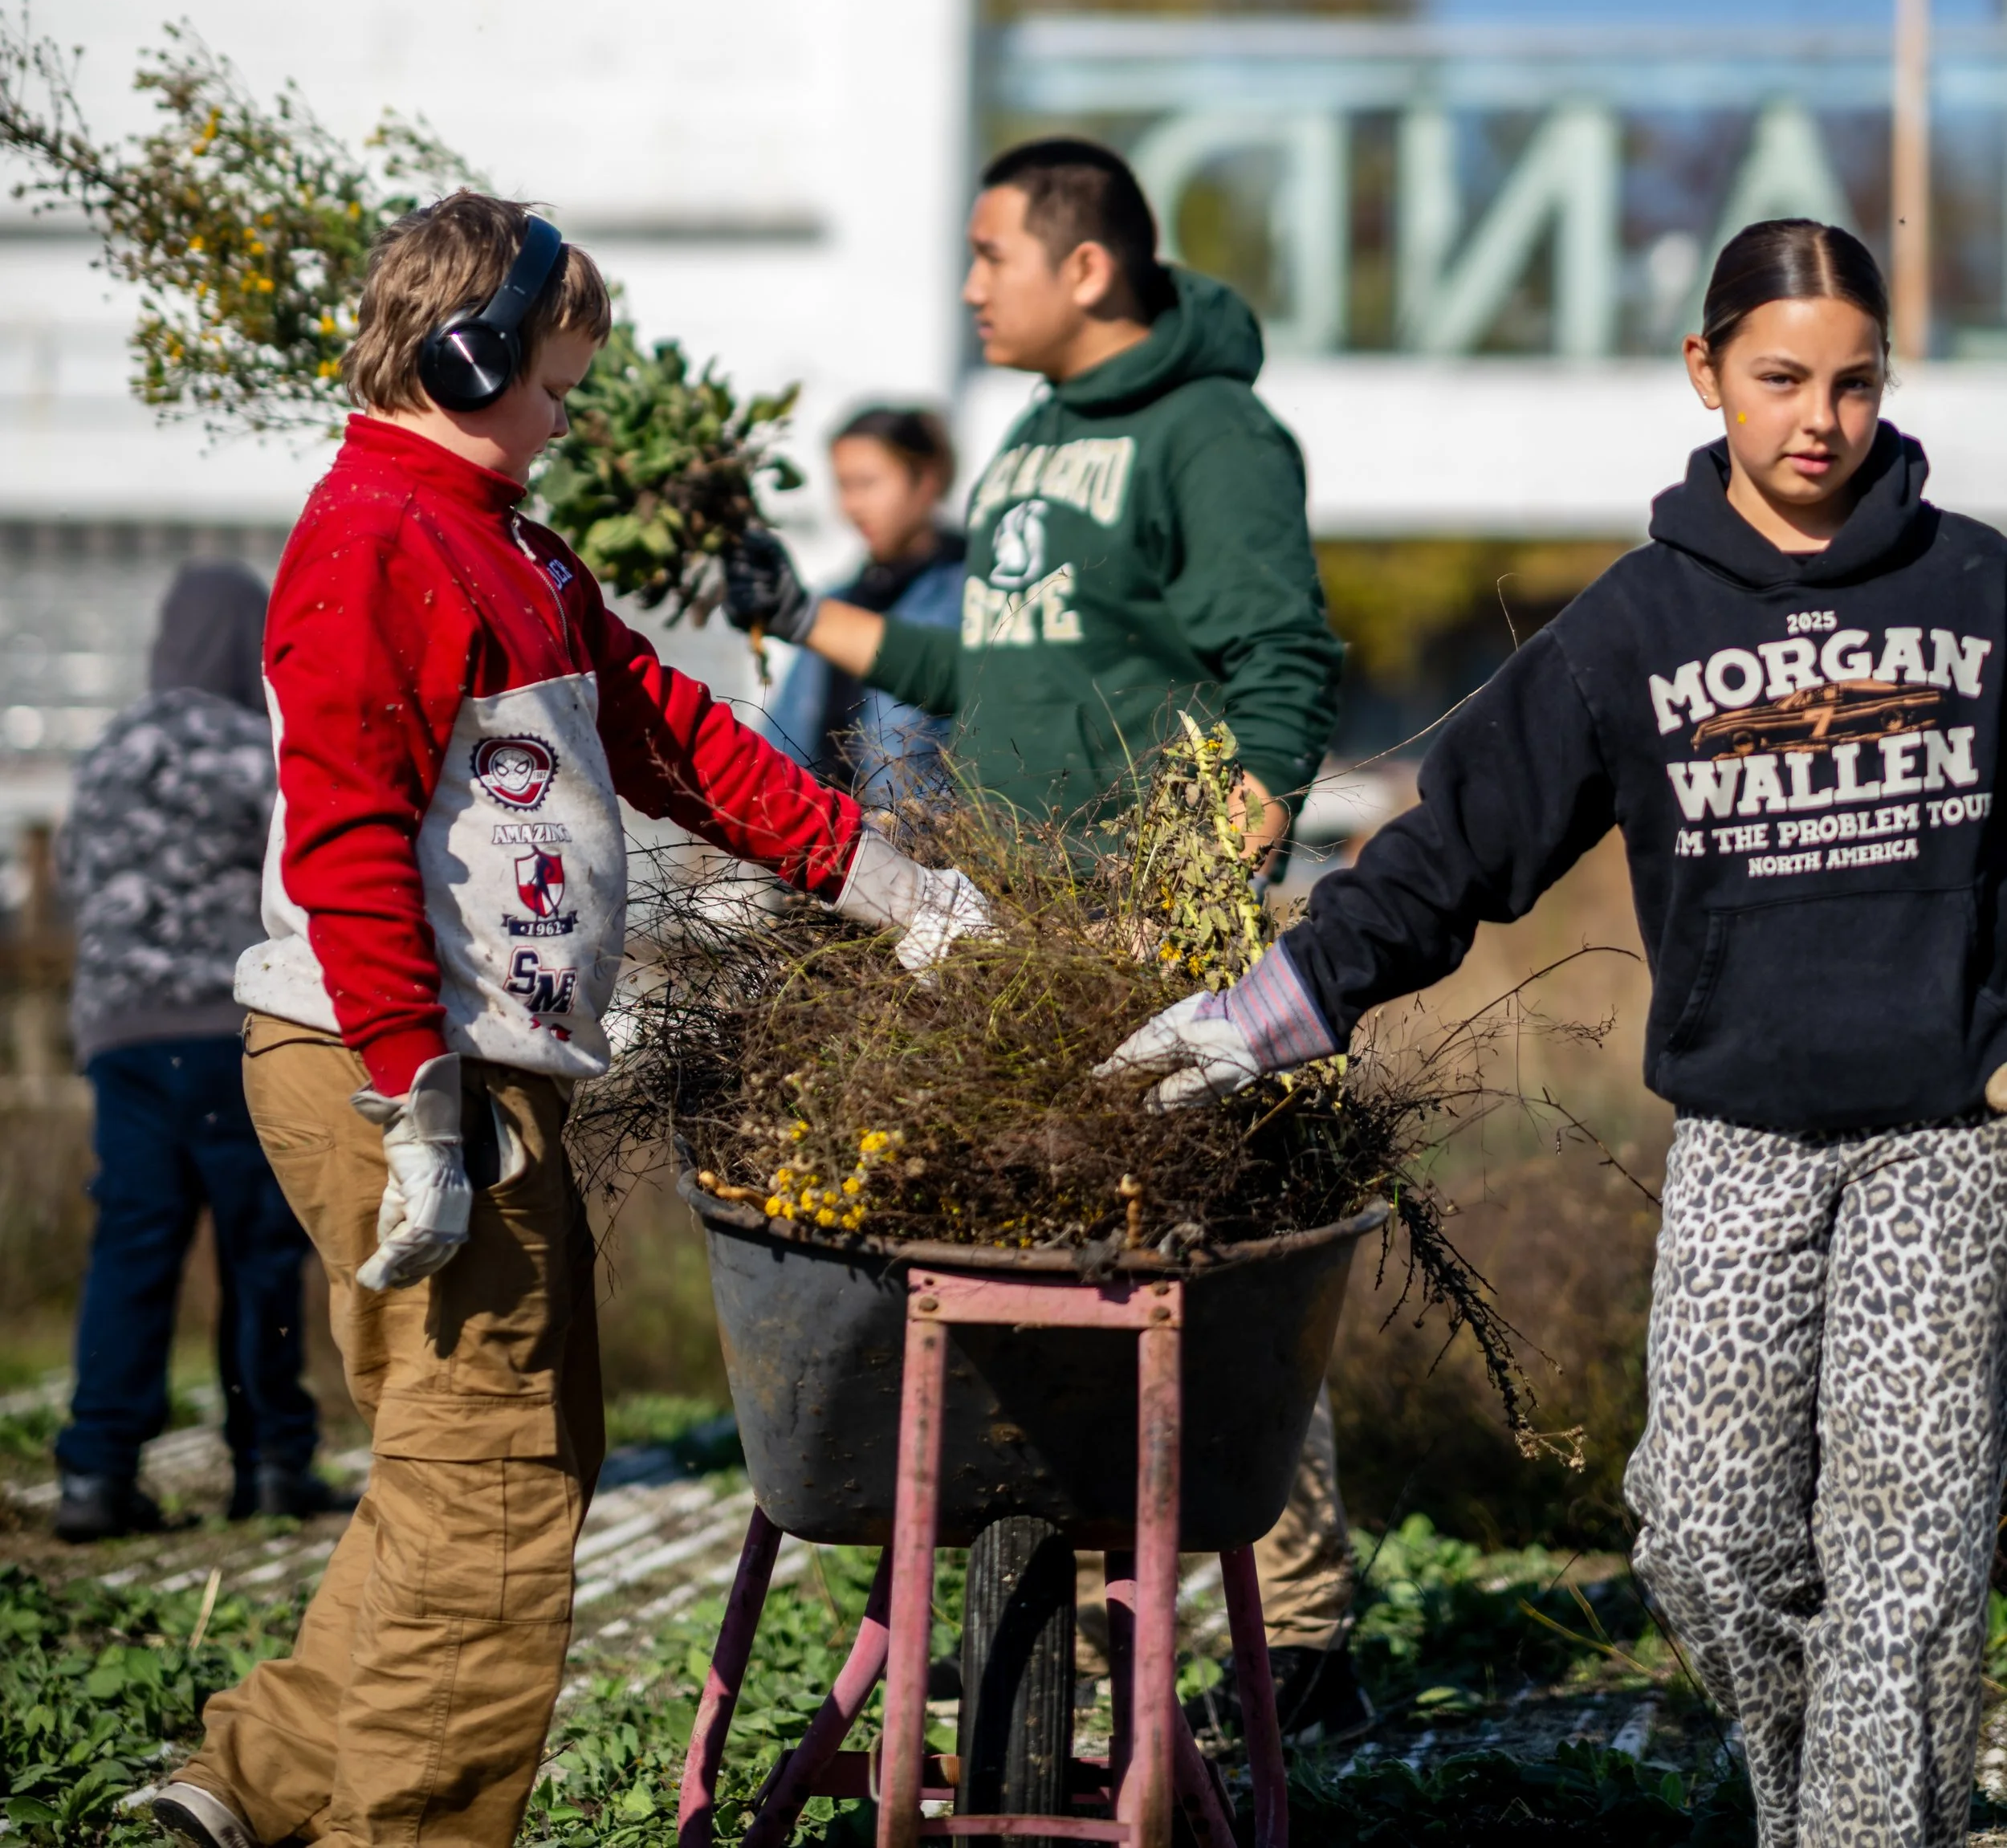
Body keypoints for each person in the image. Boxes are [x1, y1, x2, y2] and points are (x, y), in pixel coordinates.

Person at [1109, 217, 2007, 1848]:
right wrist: (1275, 1008)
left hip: (1946, 1139)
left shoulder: (1979, 591)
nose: (1819, 419)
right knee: (1705, 1538)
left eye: (1855, 383)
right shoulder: (1633, 626)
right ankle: (1840, 1804)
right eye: (1781, 379)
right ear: (1704, 371)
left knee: (1906, 1560)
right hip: (1740, 1136)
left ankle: (1868, 1827)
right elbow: (1457, 850)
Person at [154, 192, 983, 1848]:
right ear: (467, 358)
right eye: (550, 382)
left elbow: (672, 729)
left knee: (481, 1455)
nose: (563, 417)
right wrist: (412, 1094)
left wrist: (886, 882)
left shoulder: (507, 546)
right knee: (494, 1495)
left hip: (465, 1077)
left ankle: (252, 1779)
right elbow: (342, 834)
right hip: (400, 1071)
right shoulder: (375, 537)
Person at [727, 136, 1367, 1740]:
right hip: (1008, 922)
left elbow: (1283, 670)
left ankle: (1302, 1627)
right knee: (1036, 1273)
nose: (967, 286)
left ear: (1084, 266)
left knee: (1205, 1269)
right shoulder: (1030, 440)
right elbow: (982, 675)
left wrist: (1197, 903)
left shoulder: (1211, 435)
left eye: (989, 253)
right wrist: (801, 614)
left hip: (1148, 924)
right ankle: (1056, 1629)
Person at [53, 560, 332, 1542]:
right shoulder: (255, 750)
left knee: (132, 1247)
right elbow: (304, 879)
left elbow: (70, 878)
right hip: (231, 1033)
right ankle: (271, 1462)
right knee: (261, 1251)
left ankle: (97, 1473)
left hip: (124, 1038)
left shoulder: (109, 751)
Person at [765, 405, 964, 803]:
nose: (851, 506)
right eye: (843, 486)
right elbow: (781, 745)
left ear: (927, 480)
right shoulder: (835, 603)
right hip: (824, 836)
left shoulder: (973, 595)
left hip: (925, 841)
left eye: (867, 483)